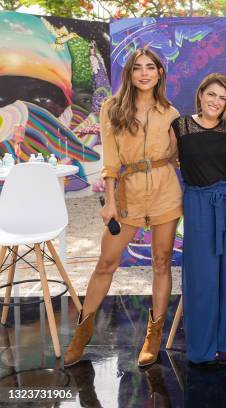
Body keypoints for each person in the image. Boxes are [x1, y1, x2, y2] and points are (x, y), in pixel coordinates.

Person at [64, 47, 181, 368]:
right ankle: (83, 329)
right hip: (127, 195)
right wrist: (111, 202)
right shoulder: (112, 109)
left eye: (151, 68)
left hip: (165, 192)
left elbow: (176, 157)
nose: (144, 73)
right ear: (129, 74)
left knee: (161, 263)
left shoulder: (170, 113)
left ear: (159, 74)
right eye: (137, 68)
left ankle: (153, 334)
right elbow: (111, 162)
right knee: (106, 262)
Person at [170, 73, 226, 363]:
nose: (216, 101)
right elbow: (164, 158)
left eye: (223, 98)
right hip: (198, 203)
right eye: (212, 94)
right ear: (201, 94)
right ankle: (202, 347)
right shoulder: (181, 126)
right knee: (201, 275)